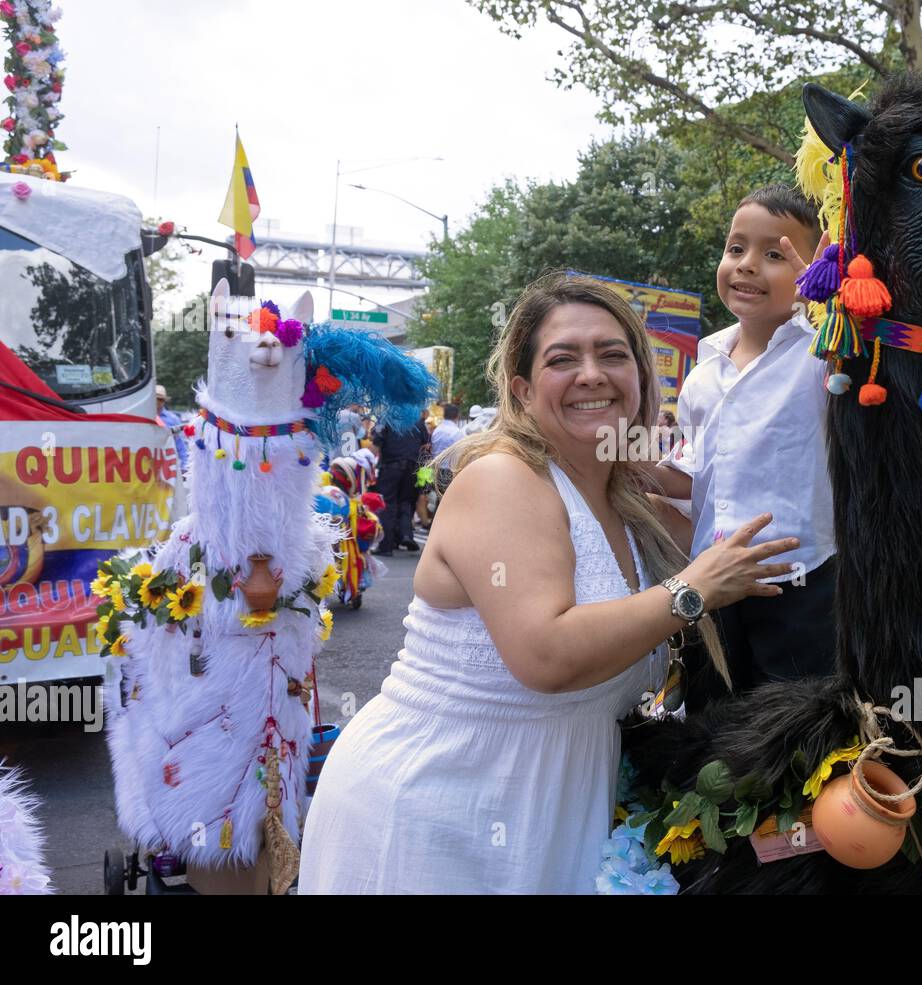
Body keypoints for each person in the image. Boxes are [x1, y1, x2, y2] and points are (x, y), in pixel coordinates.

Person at [298, 274, 794, 893]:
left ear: (641, 376)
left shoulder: (632, 501)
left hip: (557, 815)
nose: (592, 374)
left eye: (613, 355)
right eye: (563, 359)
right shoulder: (503, 479)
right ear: (523, 389)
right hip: (440, 812)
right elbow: (546, 654)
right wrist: (692, 590)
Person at [649, 185, 837, 703]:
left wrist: (832, 298)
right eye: (736, 248)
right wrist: (624, 464)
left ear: (813, 265)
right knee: (711, 713)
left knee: (795, 721)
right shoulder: (702, 373)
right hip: (711, 582)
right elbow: (691, 478)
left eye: (775, 254)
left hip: (802, 581)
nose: (748, 265)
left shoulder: (825, 356)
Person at [372, 417, 430, 555]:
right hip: (412, 466)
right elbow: (426, 445)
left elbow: (376, 442)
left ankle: (386, 545)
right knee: (406, 501)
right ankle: (404, 535)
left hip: (391, 466)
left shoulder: (387, 418)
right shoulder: (418, 420)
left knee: (388, 504)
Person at [154, 384, 188, 472]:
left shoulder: (173, 419)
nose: (157, 401)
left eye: (160, 399)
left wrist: (185, 465)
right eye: (155, 398)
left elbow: (180, 443)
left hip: (167, 461)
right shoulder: (143, 416)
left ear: (164, 401)